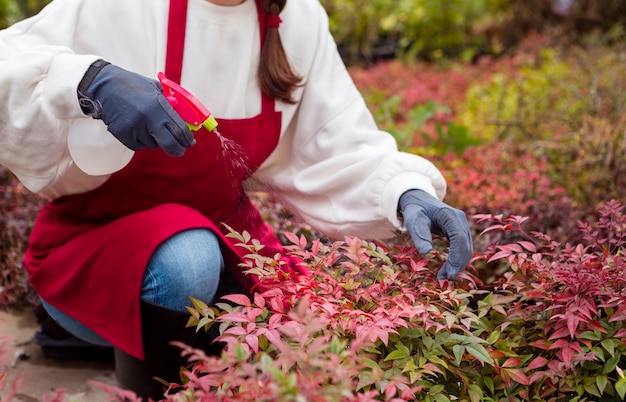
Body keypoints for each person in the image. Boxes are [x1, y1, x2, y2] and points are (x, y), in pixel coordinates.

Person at [0, 0, 473, 399]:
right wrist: (87, 80)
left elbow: (339, 143)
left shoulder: (297, 20)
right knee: (187, 258)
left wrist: (406, 192)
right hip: (90, 252)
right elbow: (9, 60)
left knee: (304, 323)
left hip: (224, 245)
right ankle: (147, 379)